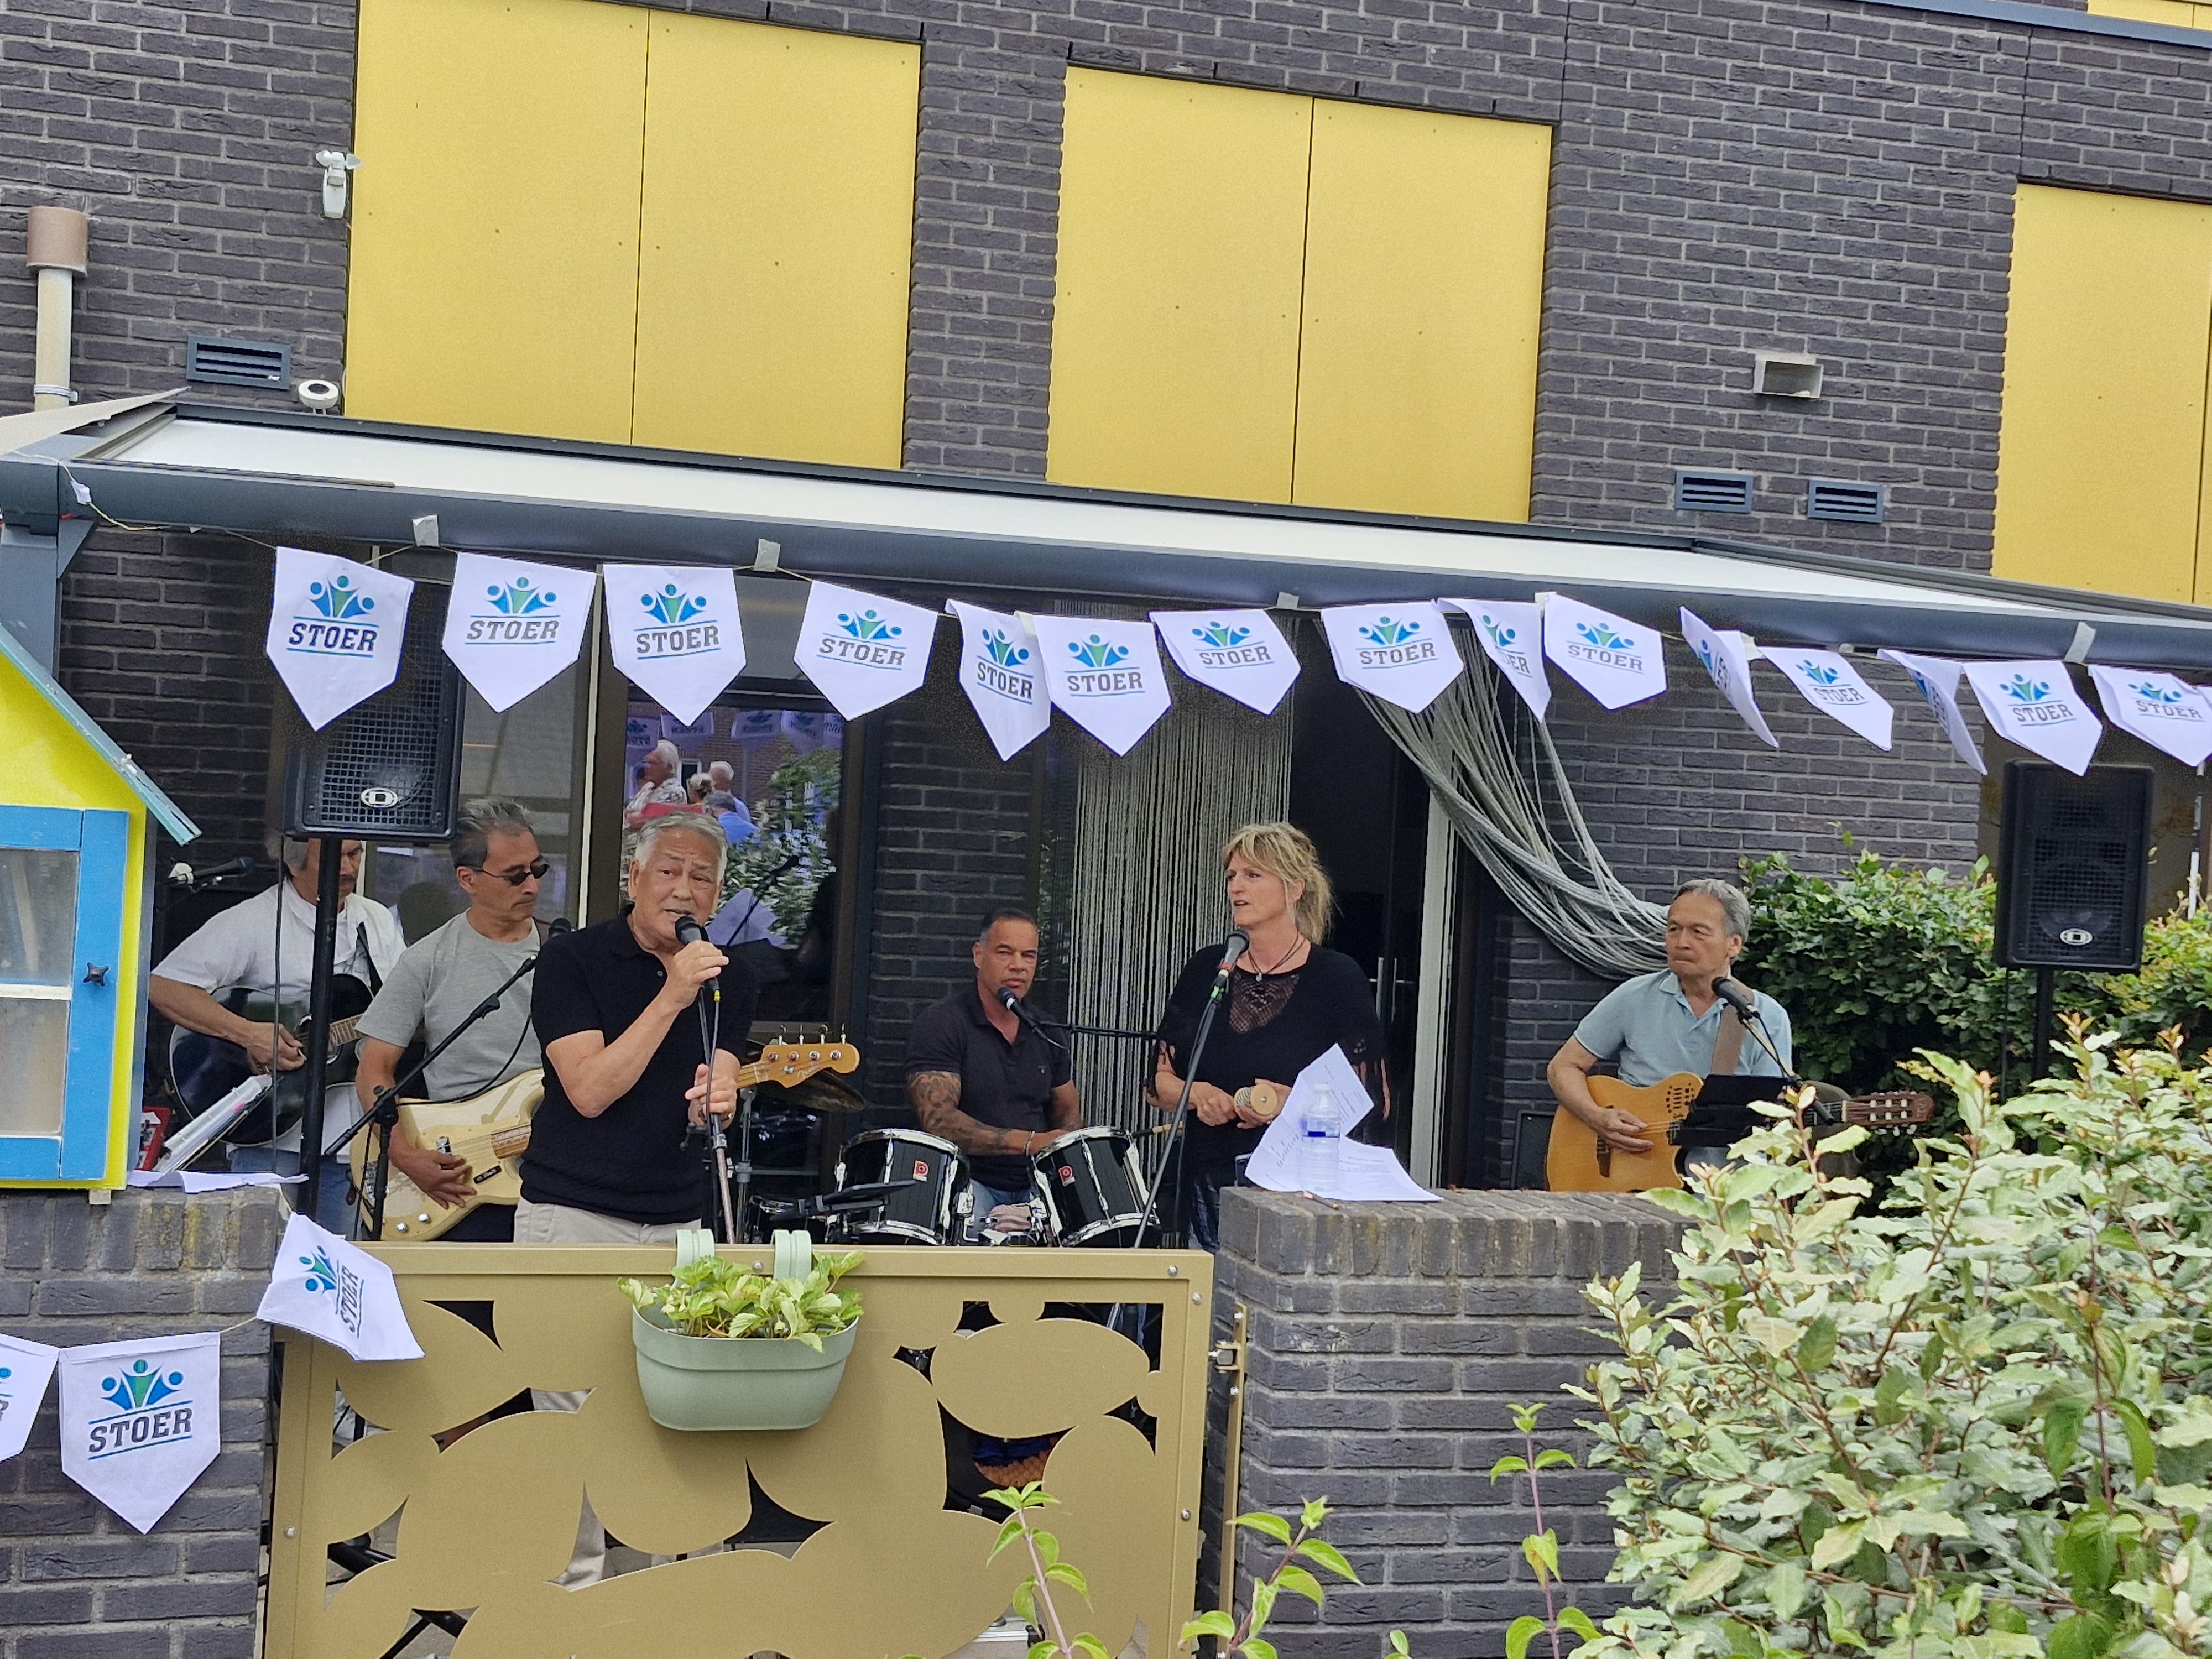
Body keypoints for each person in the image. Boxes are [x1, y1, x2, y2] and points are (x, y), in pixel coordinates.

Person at [520, 811, 755, 1587]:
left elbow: (715, 1081)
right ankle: (573, 1606)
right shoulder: (573, 960)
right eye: (669, 872)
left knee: (685, 1416)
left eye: (701, 878)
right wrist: (671, 995)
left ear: (716, 896)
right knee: (573, 1422)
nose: (683, 890)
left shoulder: (727, 977)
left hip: (680, 1218)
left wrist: (719, 1099)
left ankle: (681, 1599)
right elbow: (589, 1091)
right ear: (634, 878)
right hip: (573, 1215)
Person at [1150, 822, 1386, 1253]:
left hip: (1299, 1197)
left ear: (1295, 888)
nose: (1236, 887)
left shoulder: (1336, 978)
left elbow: (1372, 1099)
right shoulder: (1208, 970)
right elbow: (1157, 1083)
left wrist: (1290, 1102)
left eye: (1253, 875)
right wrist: (1197, 1094)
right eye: (1231, 876)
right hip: (1210, 1187)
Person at [149, 834, 405, 1232]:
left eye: (355, 854)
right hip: (270, 1136)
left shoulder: (375, 920)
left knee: (341, 1260)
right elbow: (165, 986)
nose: (349, 868)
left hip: (353, 1139)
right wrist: (247, 1033)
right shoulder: (254, 920)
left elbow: (404, 1007)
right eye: (335, 857)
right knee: (263, 1254)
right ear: (294, 862)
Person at [351, 800, 552, 1241]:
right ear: (468, 879)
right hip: (460, 1171)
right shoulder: (427, 958)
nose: (532, 885)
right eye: (515, 875)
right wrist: (404, 1155)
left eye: (538, 869)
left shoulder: (567, 954)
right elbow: (374, 1067)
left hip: (554, 1167)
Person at [1545, 878, 1793, 1165]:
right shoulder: (1633, 997)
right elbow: (1563, 1066)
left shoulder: (1764, 1016)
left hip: (1726, 1184)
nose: (1681, 942)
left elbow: (1773, 1114)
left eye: (1698, 932)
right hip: (1636, 1175)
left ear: (1734, 944)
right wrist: (1597, 1117)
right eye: (1674, 929)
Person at [906, 908, 1081, 1235]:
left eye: (1029, 956)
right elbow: (939, 1122)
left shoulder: (1046, 1030)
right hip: (969, 1183)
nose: (1018, 965)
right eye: (1005, 953)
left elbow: (1068, 1113)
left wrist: (1058, 1150)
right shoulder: (943, 1023)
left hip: (1036, 1184)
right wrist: (1030, 1142)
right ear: (979, 955)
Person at [623, 739, 688, 829]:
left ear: (670, 768)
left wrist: (634, 817)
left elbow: (644, 822)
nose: (647, 766)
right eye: (647, 762)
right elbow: (627, 813)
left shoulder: (675, 793)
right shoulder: (648, 787)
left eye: (653, 763)